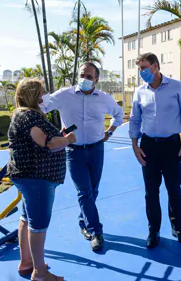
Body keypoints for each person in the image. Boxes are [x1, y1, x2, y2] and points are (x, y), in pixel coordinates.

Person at [41, 62, 124, 251]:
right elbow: (42, 107)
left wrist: (109, 132)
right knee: (85, 192)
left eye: (89, 76)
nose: (84, 79)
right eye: (82, 75)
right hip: (74, 152)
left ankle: (83, 222)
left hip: (96, 150)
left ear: (96, 79)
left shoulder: (104, 98)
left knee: (93, 192)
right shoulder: (64, 95)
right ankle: (96, 232)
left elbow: (118, 115)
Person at [7, 78, 76, 281]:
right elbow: (47, 143)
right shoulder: (29, 116)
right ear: (34, 95)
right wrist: (67, 139)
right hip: (37, 177)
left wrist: (59, 136)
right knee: (38, 224)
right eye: (43, 91)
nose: (46, 94)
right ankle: (40, 273)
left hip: (30, 176)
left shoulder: (24, 115)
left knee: (26, 218)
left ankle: (27, 262)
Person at [129, 52, 181, 249]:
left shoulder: (177, 87)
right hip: (149, 146)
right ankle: (154, 230)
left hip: (172, 145)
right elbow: (135, 119)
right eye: (139, 68)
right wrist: (135, 145)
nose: (141, 72)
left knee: (174, 189)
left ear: (155, 67)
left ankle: (178, 228)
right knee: (151, 192)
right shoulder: (140, 91)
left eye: (144, 68)